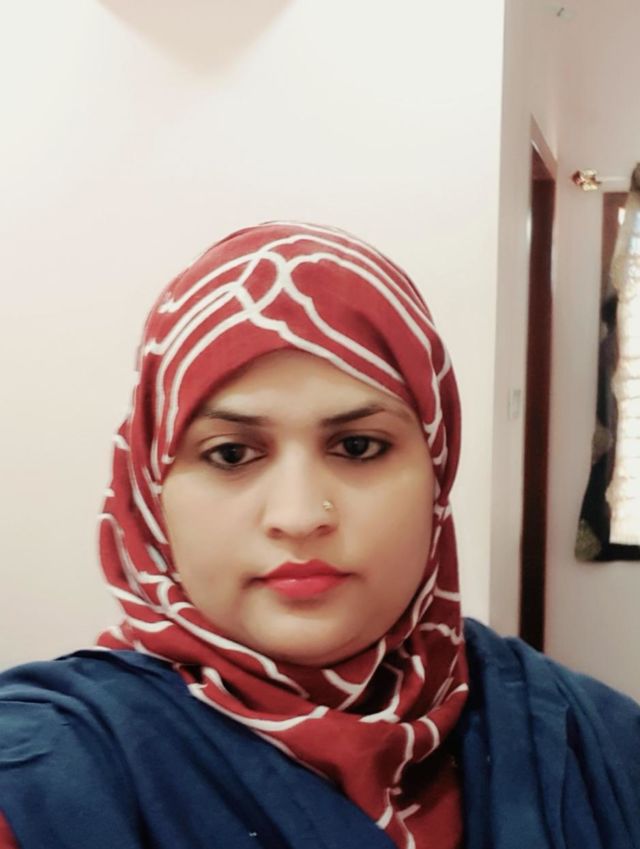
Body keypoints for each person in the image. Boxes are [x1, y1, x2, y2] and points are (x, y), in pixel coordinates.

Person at [1, 221, 639, 849]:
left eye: (358, 446)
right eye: (230, 454)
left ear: (437, 472)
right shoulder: (44, 777)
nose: (301, 514)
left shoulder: (602, 744)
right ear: (150, 488)